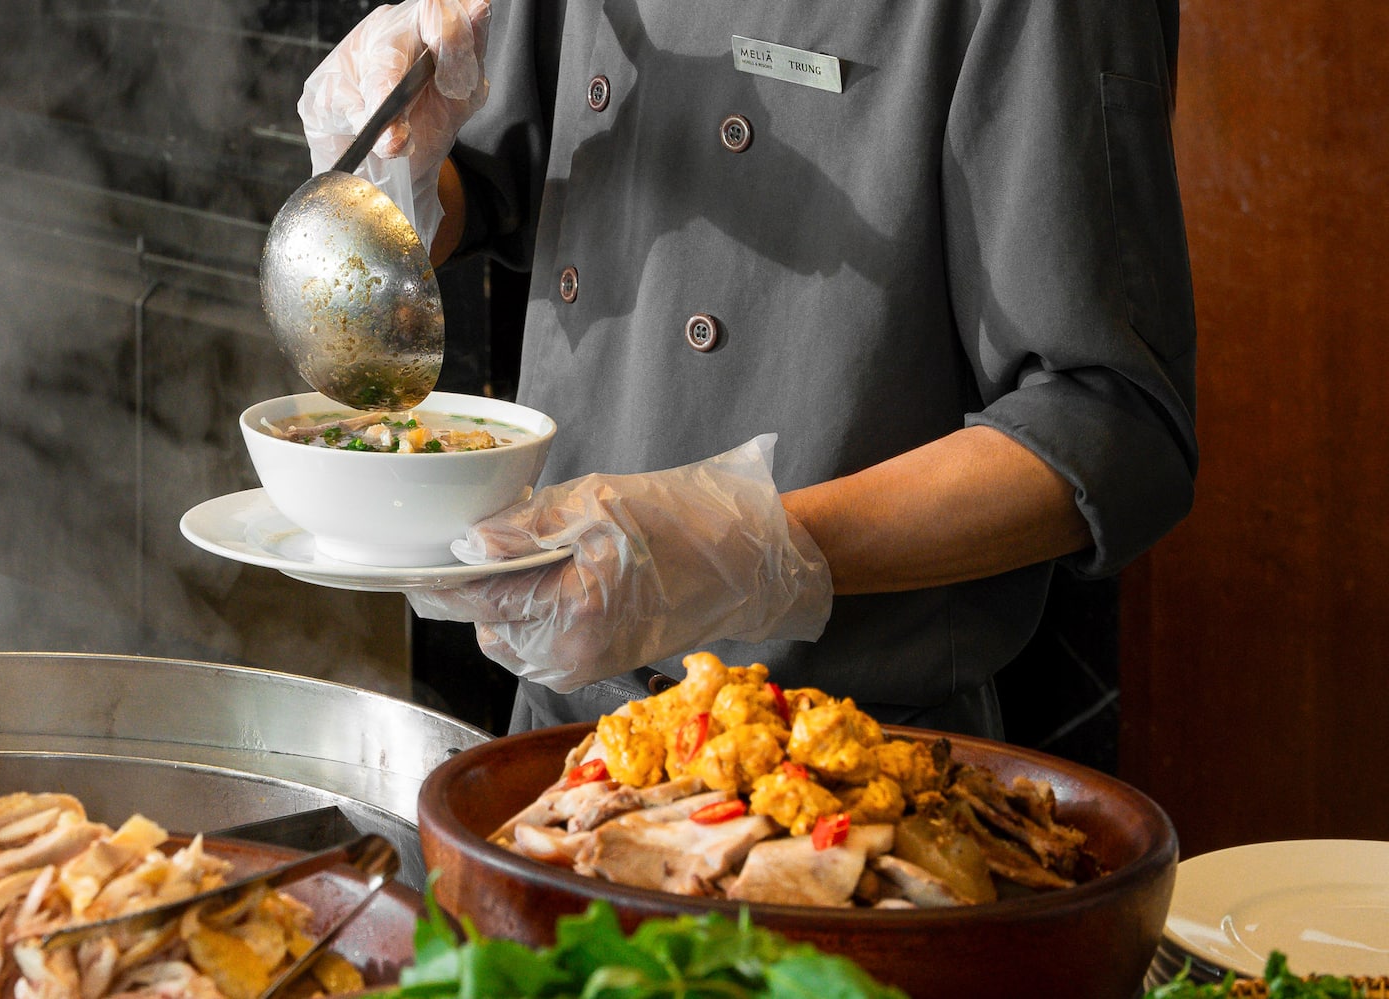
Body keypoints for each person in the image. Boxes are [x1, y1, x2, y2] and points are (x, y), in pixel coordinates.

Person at [298, 0, 1197, 737]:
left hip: (846, 762)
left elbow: (1111, 424)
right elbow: (494, 178)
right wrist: (398, 165)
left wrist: (737, 548)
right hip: (556, 730)